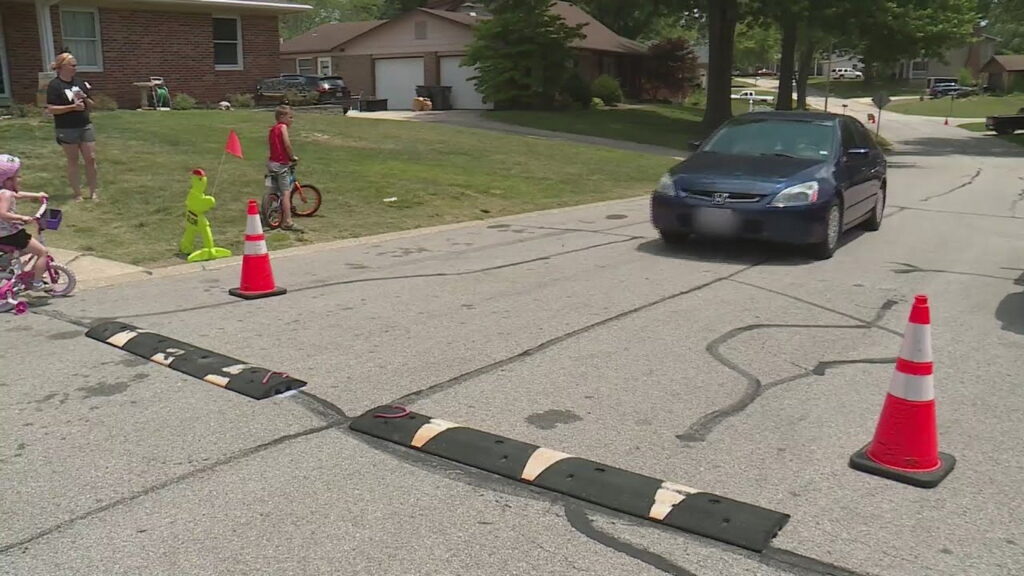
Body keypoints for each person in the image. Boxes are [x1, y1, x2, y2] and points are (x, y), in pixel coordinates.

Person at [45, 52, 99, 202]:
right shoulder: (55, 85)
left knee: (91, 158)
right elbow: (51, 109)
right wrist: (72, 108)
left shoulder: (80, 83)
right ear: (62, 67)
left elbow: (93, 105)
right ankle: (77, 193)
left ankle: (93, 192)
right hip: (66, 127)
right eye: (72, 65)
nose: (75, 68)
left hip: (85, 125)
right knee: (73, 160)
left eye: (76, 65)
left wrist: (85, 98)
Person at [0, 155, 51, 291]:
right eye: (17, 176)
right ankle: (36, 283)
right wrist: (22, 218)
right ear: (7, 180)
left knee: (26, 249)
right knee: (42, 252)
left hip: (3, 234)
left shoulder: (4, 191)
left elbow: (18, 195)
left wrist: (37, 195)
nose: (20, 179)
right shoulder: (5, 194)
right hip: (10, 234)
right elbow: (2, 213)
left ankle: (6, 259)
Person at [267, 105, 300, 231]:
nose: (292, 120)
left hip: (271, 163)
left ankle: (271, 210)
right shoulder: (282, 127)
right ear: (282, 117)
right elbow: (287, 144)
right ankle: (288, 221)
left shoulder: (273, 129)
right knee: (286, 192)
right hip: (281, 164)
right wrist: (292, 156)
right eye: (290, 117)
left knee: (274, 189)